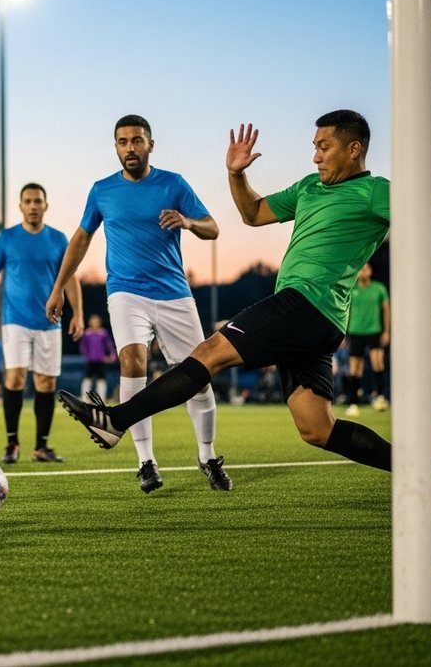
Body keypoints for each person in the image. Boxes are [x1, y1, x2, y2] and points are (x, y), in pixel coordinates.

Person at [59, 111, 398, 481]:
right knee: (318, 429)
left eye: (323, 147)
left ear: (353, 149)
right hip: (318, 319)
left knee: (207, 354)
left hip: (305, 304)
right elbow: (252, 213)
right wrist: (237, 174)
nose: (316, 156)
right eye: (314, 147)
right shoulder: (309, 188)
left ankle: (116, 419)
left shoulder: (376, 191)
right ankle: (423, 470)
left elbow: (424, 220)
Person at [46, 114, 227, 494]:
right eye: (123, 142)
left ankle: (207, 456)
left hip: (175, 293)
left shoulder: (173, 184)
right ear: (116, 147)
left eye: (137, 140)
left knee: (199, 377)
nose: (130, 148)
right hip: (126, 292)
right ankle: (146, 461)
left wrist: (188, 223)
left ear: (150, 144)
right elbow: (80, 240)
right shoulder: (101, 190)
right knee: (132, 362)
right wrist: (58, 287)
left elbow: (212, 227)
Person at [0, 182, 82, 464]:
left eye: (38, 201)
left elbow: (71, 278)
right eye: (28, 201)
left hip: (50, 322)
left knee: (46, 382)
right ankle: (12, 443)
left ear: (45, 206)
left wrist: (79, 314)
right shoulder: (7, 238)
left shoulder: (59, 239)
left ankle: (41, 447)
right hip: (15, 320)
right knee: (15, 378)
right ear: (20, 206)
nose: (33, 206)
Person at [343, 263, 390, 416]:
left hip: (374, 331)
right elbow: (344, 312)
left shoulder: (379, 288)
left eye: (365, 268)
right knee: (355, 369)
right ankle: (353, 403)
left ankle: (380, 398)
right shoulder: (351, 290)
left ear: (370, 271)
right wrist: (343, 334)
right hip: (355, 332)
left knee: (378, 362)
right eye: (360, 268)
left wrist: (386, 331)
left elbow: (386, 310)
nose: (362, 271)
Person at [79, 314, 117, 401]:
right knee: (87, 379)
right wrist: (87, 355)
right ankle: (85, 398)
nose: (95, 323)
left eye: (96, 322)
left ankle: (101, 399)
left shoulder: (103, 333)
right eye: (93, 322)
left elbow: (109, 345)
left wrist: (112, 355)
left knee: (101, 380)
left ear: (99, 323)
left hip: (101, 361)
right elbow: (83, 346)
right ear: (90, 323)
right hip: (91, 361)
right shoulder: (87, 333)